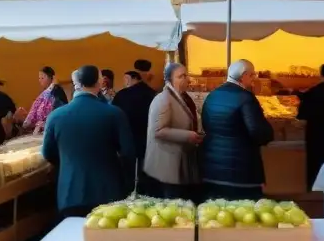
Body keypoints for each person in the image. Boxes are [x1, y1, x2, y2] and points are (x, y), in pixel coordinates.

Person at [41, 65, 134, 217]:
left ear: (77, 84)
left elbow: (47, 153)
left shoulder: (55, 116)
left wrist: (68, 161)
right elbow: (128, 152)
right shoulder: (114, 114)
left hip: (70, 193)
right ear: (99, 83)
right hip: (108, 190)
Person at [201, 59, 274, 200]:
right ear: (243, 75)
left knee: (217, 215)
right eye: (252, 75)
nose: (254, 78)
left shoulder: (212, 96)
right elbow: (258, 132)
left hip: (212, 168)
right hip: (241, 171)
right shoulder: (246, 98)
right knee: (244, 216)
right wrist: (269, 132)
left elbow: (206, 125)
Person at [143, 62, 203, 202]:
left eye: (186, 75)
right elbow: (158, 131)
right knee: (173, 203)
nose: (187, 79)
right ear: (170, 80)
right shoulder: (163, 99)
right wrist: (188, 135)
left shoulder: (182, 97)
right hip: (167, 165)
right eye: (181, 76)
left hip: (179, 163)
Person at [112, 60, 158, 194]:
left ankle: (131, 192)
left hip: (128, 137)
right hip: (148, 137)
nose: (125, 82)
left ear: (133, 78)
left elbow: (115, 115)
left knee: (129, 171)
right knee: (146, 170)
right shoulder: (152, 93)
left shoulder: (122, 95)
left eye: (126, 79)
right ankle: (145, 192)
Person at [18, 67, 68, 134]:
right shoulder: (45, 93)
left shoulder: (56, 91)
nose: (40, 80)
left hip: (52, 127)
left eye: (42, 78)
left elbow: (58, 111)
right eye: (39, 78)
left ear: (51, 78)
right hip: (40, 127)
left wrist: (42, 124)